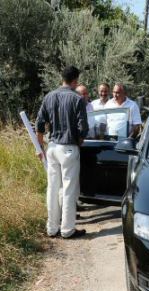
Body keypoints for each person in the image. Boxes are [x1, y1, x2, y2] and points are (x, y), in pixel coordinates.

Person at [35, 66, 88, 238]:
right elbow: (83, 128)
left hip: (52, 147)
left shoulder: (49, 96)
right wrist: (78, 143)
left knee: (52, 188)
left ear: (62, 78)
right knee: (68, 189)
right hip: (68, 147)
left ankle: (51, 228)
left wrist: (40, 147)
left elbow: (39, 124)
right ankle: (67, 229)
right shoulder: (77, 99)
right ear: (75, 81)